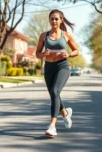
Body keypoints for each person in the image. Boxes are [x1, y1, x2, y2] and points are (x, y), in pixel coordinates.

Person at [36, 9, 79, 137]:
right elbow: (37, 53)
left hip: (62, 66)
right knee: (54, 95)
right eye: (51, 18)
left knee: (55, 91)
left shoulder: (66, 35)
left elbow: (77, 50)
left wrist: (69, 54)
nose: (54, 21)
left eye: (56, 18)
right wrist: (43, 54)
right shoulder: (44, 35)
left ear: (61, 20)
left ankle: (52, 126)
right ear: (49, 20)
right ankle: (65, 114)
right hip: (49, 68)